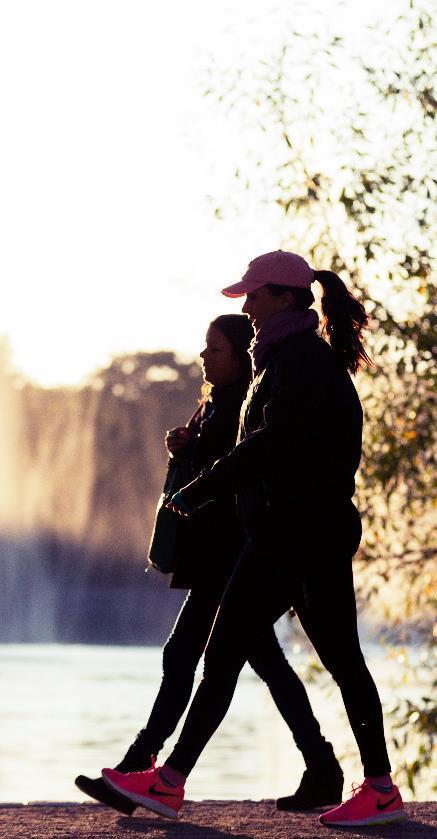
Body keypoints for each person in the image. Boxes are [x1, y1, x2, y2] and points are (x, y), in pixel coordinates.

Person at [102, 252, 406, 828]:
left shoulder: (300, 364)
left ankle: (169, 781)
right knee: (334, 659)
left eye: (255, 297)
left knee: (230, 657)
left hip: (296, 536)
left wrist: (198, 490)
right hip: (300, 533)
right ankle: (378, 786)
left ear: (286, 298)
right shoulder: (287, 361)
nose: (247, 307)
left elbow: (269, 444)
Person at [76, 311, 343, 814]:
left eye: (214, 349)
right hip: (220, 561)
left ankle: (142, 769)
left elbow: (237, 474)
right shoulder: (216, 405)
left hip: (236, 558)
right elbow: (206, 468)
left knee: (192, 658)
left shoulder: (248, 407)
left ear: (242, 356)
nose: (204, 356)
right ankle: (321, 767)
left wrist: (194, 454)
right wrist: (182, 447)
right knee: (258, 662)